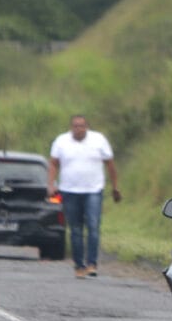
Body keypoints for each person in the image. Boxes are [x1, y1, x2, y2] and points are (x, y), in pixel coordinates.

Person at [48, 114, 121, 278]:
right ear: (71, 127)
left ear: (87, 127)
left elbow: (110, 164)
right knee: (75, 229)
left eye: (81, 126)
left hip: (93, 190)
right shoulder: (61, 141)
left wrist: (115, 186)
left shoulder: (99, 140)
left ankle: (92, 264)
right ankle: (79, 265)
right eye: (75, 126)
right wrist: (51, 184)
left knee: (93, 226)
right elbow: (53, 163)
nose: (78, 129)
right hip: (69, 190)